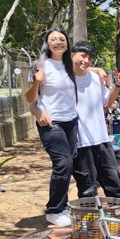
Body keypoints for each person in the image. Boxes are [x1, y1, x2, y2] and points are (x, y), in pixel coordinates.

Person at [31, 41, 120, 236]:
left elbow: (107, 102)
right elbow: (44, 81)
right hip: (80, 144)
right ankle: (91, 230)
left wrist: (117, 84)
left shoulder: (95, 78)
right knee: (87, 190)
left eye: (90, 57)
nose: (86, 60)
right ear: (72, 55)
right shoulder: (64, 79)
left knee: (114, 185)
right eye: (82, 55)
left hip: (101, 140)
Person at [25, 28, 78, 227]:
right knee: (63, 163)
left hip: (71, 121)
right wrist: (37, 82)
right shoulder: (40, 66)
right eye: (53, 39)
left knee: (69, 163)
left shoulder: (69, 65)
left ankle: (62, 206)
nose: (58, 42)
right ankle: (54, 210)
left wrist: (98, 71)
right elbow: (30, 99)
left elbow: (86, 70)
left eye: (62, 39)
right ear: (47, 43)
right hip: (50, 122)